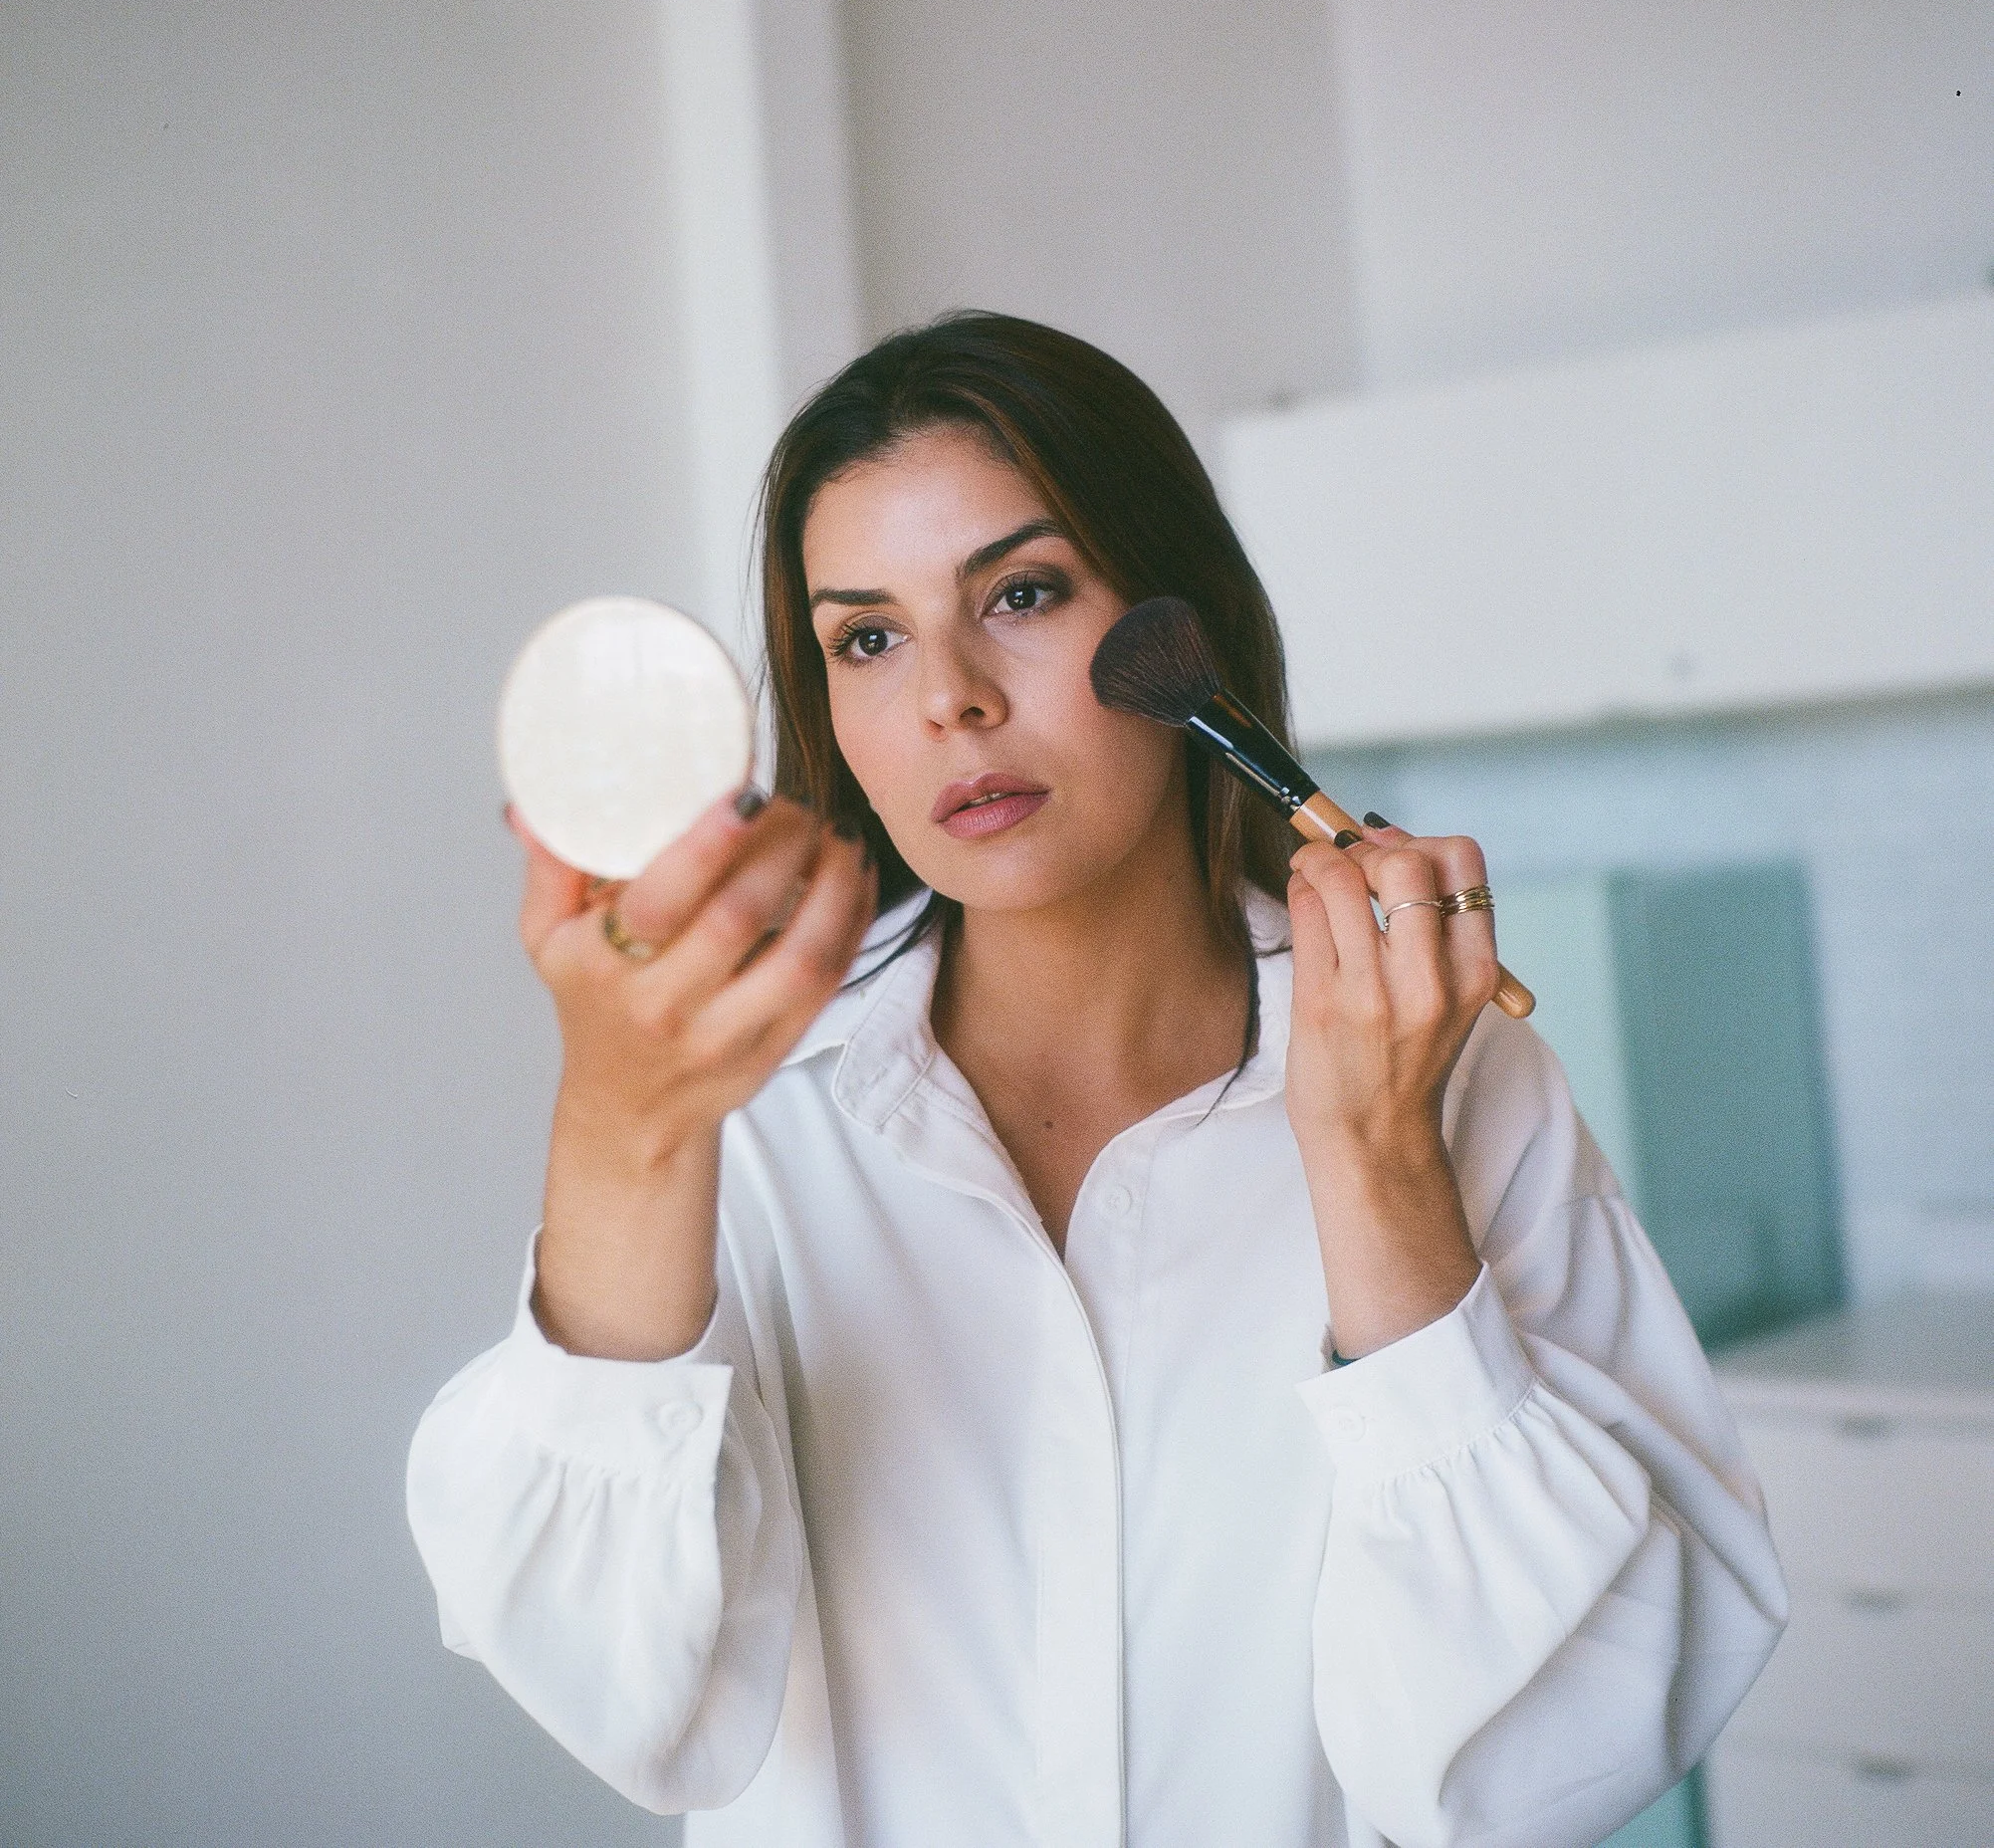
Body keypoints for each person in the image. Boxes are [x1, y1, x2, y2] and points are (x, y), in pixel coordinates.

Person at [407, 314, 1786, 1848]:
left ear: (1179, 627)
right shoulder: (755, 1114)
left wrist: (1375, 1161)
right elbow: (623, 1695)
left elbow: (1537, 1773)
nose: (948, 697)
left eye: (1022, 593)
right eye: (864, 636)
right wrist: (623, 1129)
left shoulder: (1454, 1082)